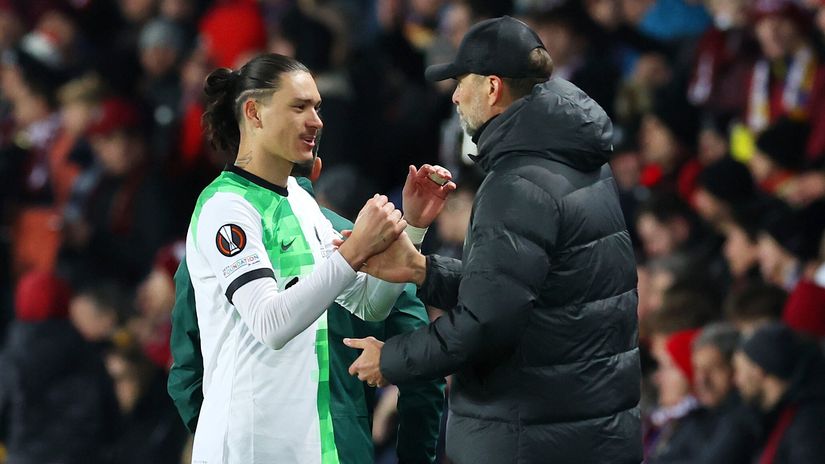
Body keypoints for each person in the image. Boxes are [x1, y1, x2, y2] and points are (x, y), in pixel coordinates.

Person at [344, 16, 641, 463]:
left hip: (532, 439)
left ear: (492, 87)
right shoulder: (577, 160)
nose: (455, 96)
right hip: (587, 431)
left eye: (461, 82)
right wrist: (424, 271)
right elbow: (533, 293)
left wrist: (391, 359)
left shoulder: (518, 182)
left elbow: (487, 324)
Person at [183, 53, 442, 463]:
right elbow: (270, 323)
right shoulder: (225, 206)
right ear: (254, 113)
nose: (316, 121)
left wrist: (412, 225)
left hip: (308, 445)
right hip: (248, 448)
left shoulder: (301, 201)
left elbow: (366, 305)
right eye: (299, 106)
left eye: (317, 108)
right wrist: (355, 250)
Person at [734, 323, 825, 463]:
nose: (735, 380)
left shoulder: (808, 426)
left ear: (758, 371)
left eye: (739, 370)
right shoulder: (774, 416)